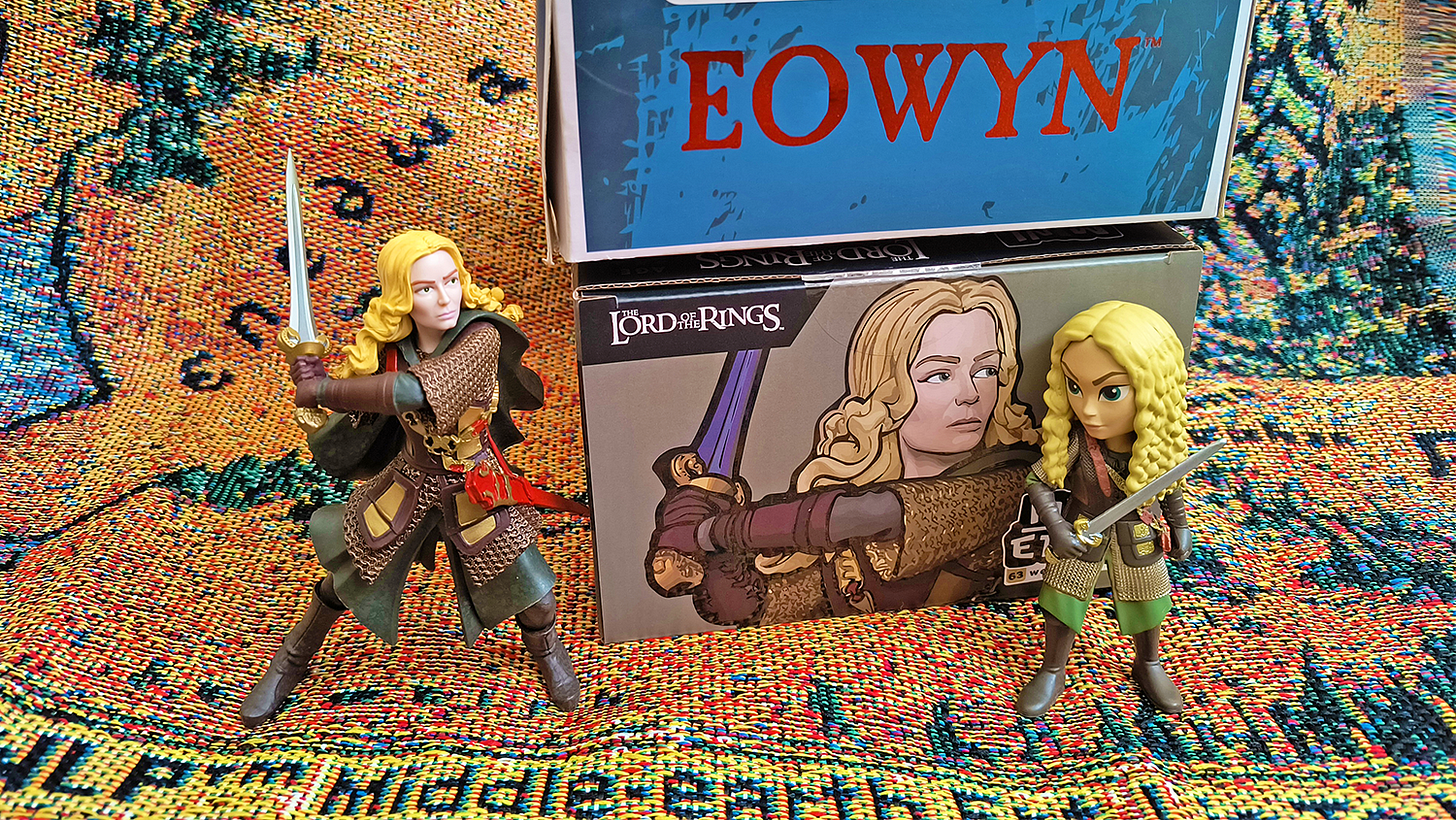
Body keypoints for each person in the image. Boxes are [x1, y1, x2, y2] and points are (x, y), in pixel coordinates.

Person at [241, 230, 581, 728]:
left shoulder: (481, 337)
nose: (445, 297)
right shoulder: (390, 349)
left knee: (533, 589)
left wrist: (323, 390)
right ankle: (289, 662)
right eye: (425, 288)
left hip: (475, 483)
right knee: (345, 578)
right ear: (402, 296)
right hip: (408, 483)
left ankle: (548, 651)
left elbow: (410, 393)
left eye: (450, 281)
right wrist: (311, 382)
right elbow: (361, 413)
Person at [648, 277, 1040, 626]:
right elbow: (755, 607)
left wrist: (706, 532)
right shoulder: (856, 513)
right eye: (940, 374)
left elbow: (868, 514)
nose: (971, 394)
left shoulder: (1011, 484)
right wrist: (694, 506)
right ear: (886, 388)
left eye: (987, 370)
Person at [1014, 300, 1192, 717]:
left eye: (1110, 392)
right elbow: (1037, 481)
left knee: (1149, 603)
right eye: (1075, 388)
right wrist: (1056, 527)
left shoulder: (1157, 446)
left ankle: (1148, 663)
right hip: (1082, 533)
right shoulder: (1079, 443)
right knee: (1061, 602)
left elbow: (1171, 484)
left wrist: (1180, 524)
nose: (1088, 409)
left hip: (1140, 537)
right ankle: (1053, 668)